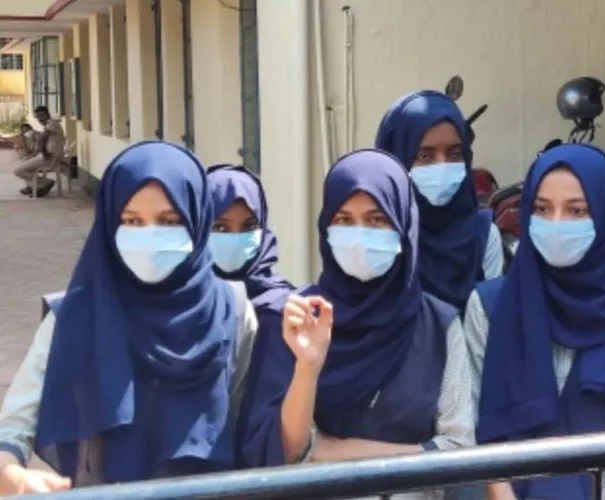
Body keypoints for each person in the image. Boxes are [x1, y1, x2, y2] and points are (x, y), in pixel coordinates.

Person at [0, 141, 258, 493]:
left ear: (197, 220)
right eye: (131, 221)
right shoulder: (74, 316)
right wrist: (14, 475)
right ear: (108, 224)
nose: (149, 237)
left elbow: (247, 422)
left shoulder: (233, 310)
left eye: (169, 221)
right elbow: (12, 428)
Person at [240, 149, 474, 499]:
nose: (360, 235)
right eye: (344, 220)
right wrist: (307, 368)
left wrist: (330, 450)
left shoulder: (439, 325)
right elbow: (283, 454)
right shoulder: (295, 319)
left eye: (377, 220)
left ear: (403, 226)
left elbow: (459, 450)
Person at [466, 144, 605, 500]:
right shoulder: (489, 306)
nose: (556, 224)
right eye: (542, 209)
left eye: (577, 210)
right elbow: (478, 430)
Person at [375, 91, 503, 314]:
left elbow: (491, 319)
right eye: (425, 156)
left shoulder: (483, 235)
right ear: (396, 159)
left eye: (454, 155)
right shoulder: (379, 235)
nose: (442, 166)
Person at [206, 164, 294, 311]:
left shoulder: (288, 308)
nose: (235, 239)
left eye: (249, 227)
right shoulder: (181, 306)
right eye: (221, 228)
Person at [12, 106, 66, 197]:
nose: (40, 119)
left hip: (49, 157)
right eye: (37, 117)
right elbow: (41, 139)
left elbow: (43, 139)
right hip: (46, 156)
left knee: (17, 171)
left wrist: (43, 153)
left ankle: (45, 183)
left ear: (47, 114)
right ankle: (33, 185)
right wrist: (33, 153)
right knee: (26, 162)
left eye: (41, 116)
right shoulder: (48, 125)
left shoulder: (52, 124)